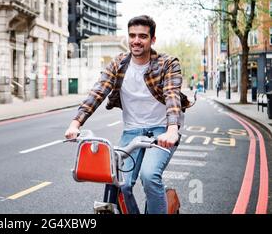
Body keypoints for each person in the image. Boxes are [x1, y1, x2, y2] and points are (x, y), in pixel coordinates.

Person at [64, 15, 192, 214]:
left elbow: (172, 95)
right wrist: (75, 124)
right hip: (132, 131)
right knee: (119, 182)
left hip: (161, 132)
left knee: (149, 176)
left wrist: (172, 130)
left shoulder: (167, 63)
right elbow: (98, 92)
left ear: (152, 40)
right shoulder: (118, 64)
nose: (136, 40)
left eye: (143, 36)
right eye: (132, 35)